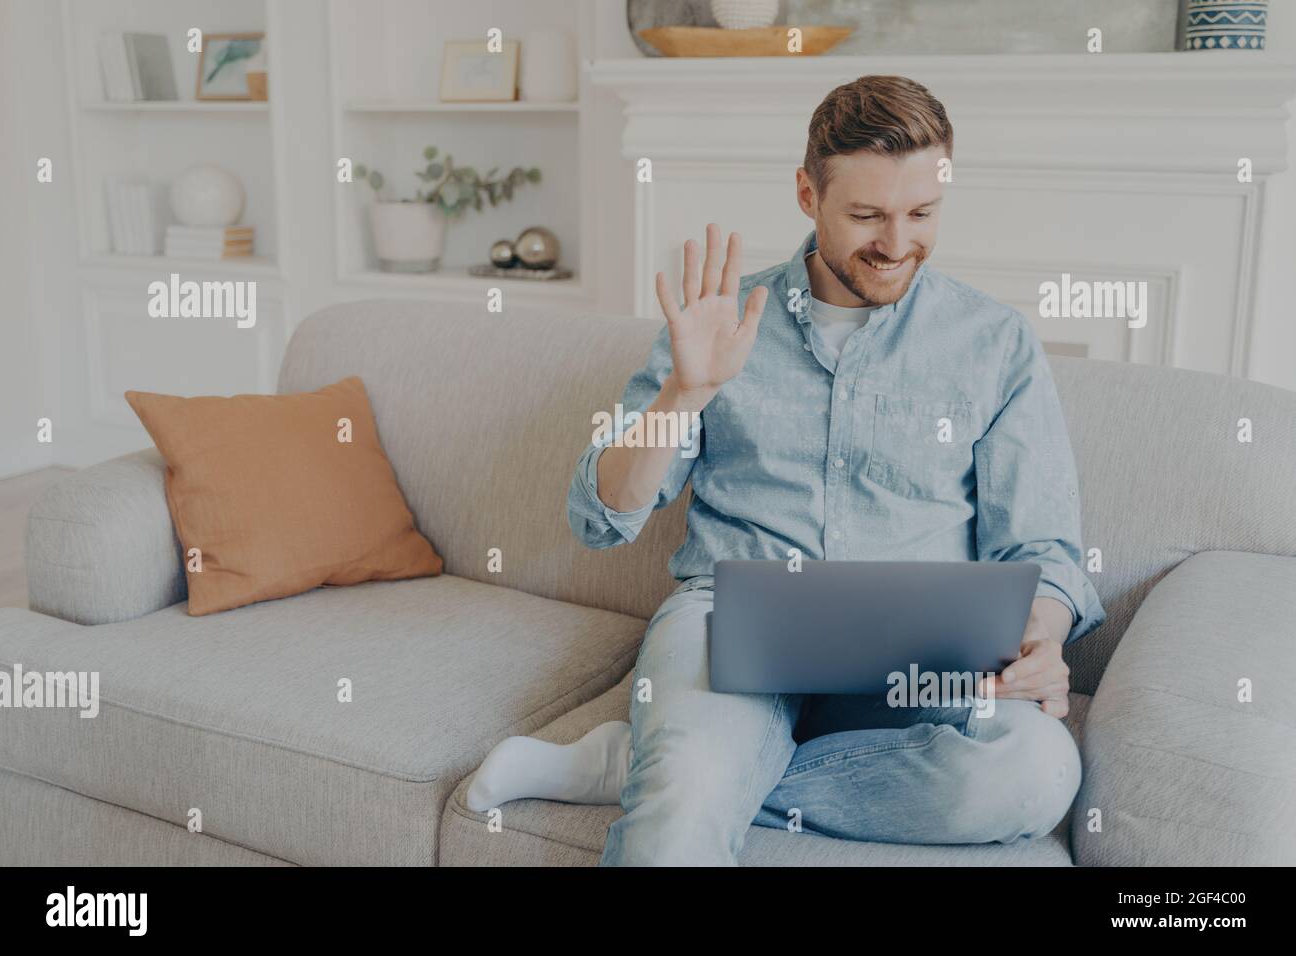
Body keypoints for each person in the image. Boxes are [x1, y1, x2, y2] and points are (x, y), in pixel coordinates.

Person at [467, 75, 1105, 866]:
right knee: (683, 811)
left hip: (920, 654)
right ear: (808, 193)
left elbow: (1043, 555)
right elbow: (602, 515)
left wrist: (1037, 638)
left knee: (1036, 770)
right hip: (735, 614)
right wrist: (685, 391)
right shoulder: (721, 320)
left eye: (922, 214)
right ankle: (685, 773)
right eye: (867, 215)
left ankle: (645, 766)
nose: (897, 242)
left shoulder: (996, 343)